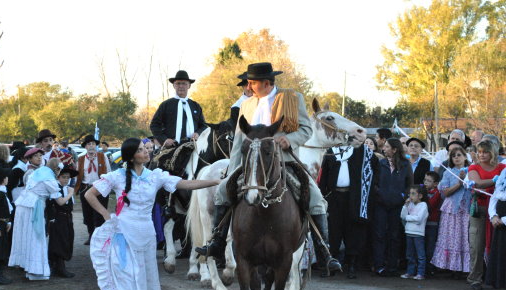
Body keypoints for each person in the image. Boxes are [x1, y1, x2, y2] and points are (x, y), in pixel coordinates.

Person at [196, 62, 340, 272]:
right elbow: (238, 141)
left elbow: (307, 129)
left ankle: (324, 251)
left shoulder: (292, 98)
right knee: (220, 193)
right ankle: (217, 243)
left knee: (317, 199)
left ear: (266, 82)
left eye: (252, 82)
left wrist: (289, 139)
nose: (249, 86)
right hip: (251, 164)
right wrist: (232, 171)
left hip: (284, 162)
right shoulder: (246, 105)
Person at [84, 138, 220, 290]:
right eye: (140, 150)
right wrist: (105, 214)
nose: (146, 152)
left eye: (145, 149)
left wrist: (215, 182)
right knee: (127, 280)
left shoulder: (155, 176)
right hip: (123, 234)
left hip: (146, 236)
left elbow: (185, 184)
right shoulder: (117, 176)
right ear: (131, 156)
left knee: (141, 280)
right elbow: (89, 194)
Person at [318, 143, 378, 278]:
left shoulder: (359, 152)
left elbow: (373, 166)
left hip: (353, 198)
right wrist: (322, 197)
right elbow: (324, 176)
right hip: (334, 198)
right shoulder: (330, 152)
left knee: (352, 231)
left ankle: (352, 266)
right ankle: (330, 265)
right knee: (333, 231)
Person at [8, 158, 61, 280]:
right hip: (32, 207)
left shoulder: (37, 172)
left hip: (24, 204)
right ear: (56, 169)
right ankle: (34, 270)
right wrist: (69, 193)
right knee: (35, 237)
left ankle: (27, 265)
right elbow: (58, 198)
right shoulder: (49, 178)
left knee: (25, 235)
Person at [467, 140, 506, 290]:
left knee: (496, 244)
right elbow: (477, 183)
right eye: (480, 152)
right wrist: (495, 180)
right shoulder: (474, 167)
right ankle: (475, 278)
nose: (482, 155)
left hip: (498, 211)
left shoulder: (503, 167)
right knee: (477, 244)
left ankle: (496, 278)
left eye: (485, 152)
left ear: (493, 152)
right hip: (480, 209)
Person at [374, 138, 414, 276]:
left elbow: (409, 184)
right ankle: (379, 265)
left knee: (395, 235)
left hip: (397, 206)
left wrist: (402, 196)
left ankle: (392, 266)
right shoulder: (381, 163)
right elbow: (374, 182)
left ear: (395, 149)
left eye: (387, 146)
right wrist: (379, 194)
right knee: (379, 234)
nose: (384, 149)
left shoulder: (405, 165)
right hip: (381, 205)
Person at [431, 146, 472, 275]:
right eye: (454, 156)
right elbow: (444, 192)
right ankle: (450, 267)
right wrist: (459, 183)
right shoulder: (449, 172)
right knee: (451, 237)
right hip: (451, 210)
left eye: (459, 155)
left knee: (464, 238)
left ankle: (465, 268)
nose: (456, 158)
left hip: (466, 209)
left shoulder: (472, 171)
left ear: (465, 157)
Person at [149, 70, 208, 148]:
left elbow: (203, 125)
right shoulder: (165, 105)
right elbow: (154, 125)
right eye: (178, 83)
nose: (181, 86)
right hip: (172, 147)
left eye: (184, 83)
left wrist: (198, 133)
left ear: (189, 86)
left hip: (194, 146)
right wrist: (164, 140)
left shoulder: (195, 106)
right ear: (174, 85)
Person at [75, 135, 111, 245]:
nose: (91, 146)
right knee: (87, 214)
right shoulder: (81, 159)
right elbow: (78, 175)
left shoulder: (102, 157)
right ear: (85, 147)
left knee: (99, 213)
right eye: (89, 144)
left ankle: (99, 236)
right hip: (86, 189)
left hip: (100, 189)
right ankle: (91, 235)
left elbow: (109, 172)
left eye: (93, 144)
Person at [47, 165, 77, 278]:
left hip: (67, 217)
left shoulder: (66, 188)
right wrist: (70, 194)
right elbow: (60, 203)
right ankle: (59, 267)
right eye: (63, 177)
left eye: (68, 178)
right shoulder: (56, 188)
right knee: (59, 242)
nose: (66, 179)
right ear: (58, 177)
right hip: (58, 217)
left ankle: (56, 267)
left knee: (67, 240)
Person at [400, 186, 429, 280]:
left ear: (420, 196)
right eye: (410, 193)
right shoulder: (410, 204)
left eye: (413, 193)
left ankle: (421, 273)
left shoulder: (423, 205)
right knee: (410, 255)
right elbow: (402, 216)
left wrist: (408, 218)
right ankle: (410, 272)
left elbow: (419, 219)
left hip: (418, 234)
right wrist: (405, 206)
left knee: (420, 255)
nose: (410, 196)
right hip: (409, 232)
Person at [486, 169, 506, 289]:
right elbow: (495, 196)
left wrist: (503, 220)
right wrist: (493, 215)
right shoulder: (505, 171)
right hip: (499, 219)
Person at [423, 171, 442, 276]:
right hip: (422, 223)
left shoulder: (437, 193)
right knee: (423, 245)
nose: (426, 182)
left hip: (432, 223)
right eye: (425, 180)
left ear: (435, 184)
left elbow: (430, 205)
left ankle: (430, 268)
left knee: (430, 247)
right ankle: (422, 266)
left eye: (429, 181)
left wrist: (422, 197)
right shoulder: (423, 191)